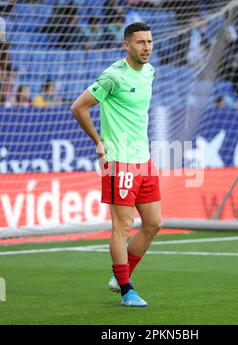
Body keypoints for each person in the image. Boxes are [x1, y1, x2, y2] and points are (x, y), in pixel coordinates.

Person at [71, 23, 162, 308]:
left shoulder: (150, 72)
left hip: (144, 161)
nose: (146, 47)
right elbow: (78, 107)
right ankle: (126, 290)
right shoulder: (113, 76)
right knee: (122, 226)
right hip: (119, 163)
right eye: (139, 42)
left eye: (149, 41)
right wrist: (98, 142)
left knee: (153, 223)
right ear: (127, 45)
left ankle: (120, 275)